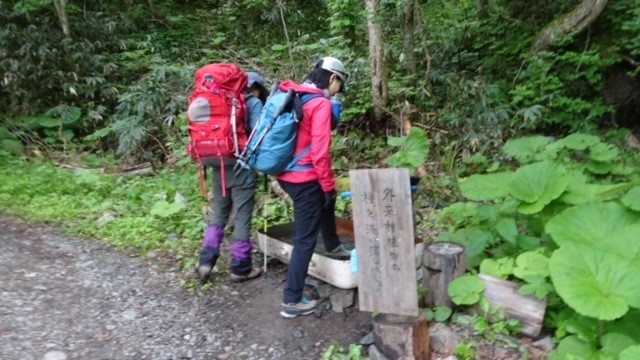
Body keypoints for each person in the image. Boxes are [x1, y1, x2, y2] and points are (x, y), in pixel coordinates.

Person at [276, 57, 352, 318]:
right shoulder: (319, 103)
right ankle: (292, 300)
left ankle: (332, 244)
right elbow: (320, 153)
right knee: (305, 238)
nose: (339, 91)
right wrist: (329, 186)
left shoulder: (297, 94)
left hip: (285, 172)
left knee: (324, 201)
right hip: (303, 176)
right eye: (340, 85)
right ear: (332, 78)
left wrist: (326, 191)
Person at [195, 71, 268, 285]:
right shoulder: (252, 102)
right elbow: (259, 134)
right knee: (243, 217)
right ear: (255, 87)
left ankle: (206, 262)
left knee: (219, 214)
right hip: (242, 167)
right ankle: (240, 267)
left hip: (218, 164)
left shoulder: (221, 101)